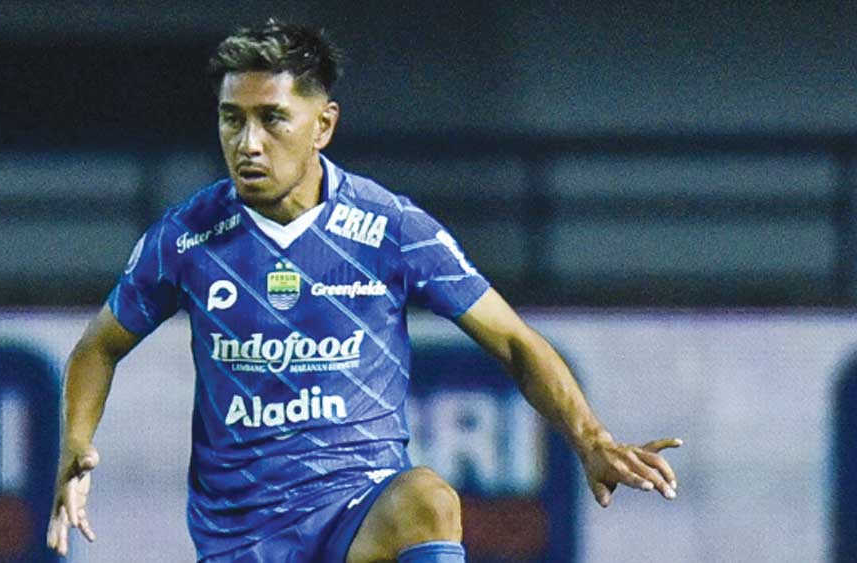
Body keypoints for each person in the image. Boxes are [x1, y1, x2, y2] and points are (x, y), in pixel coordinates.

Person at [46, 19, 681, 563]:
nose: (248, 143)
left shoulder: (389, 228)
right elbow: (99, 347)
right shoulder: (187, 237)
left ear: (322, 126)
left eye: (272, 119)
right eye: (231, 119)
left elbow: (514, 341)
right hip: (241, 533)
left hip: (356, 505)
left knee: (428, 499)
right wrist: (75, 441)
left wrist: (591, 441)